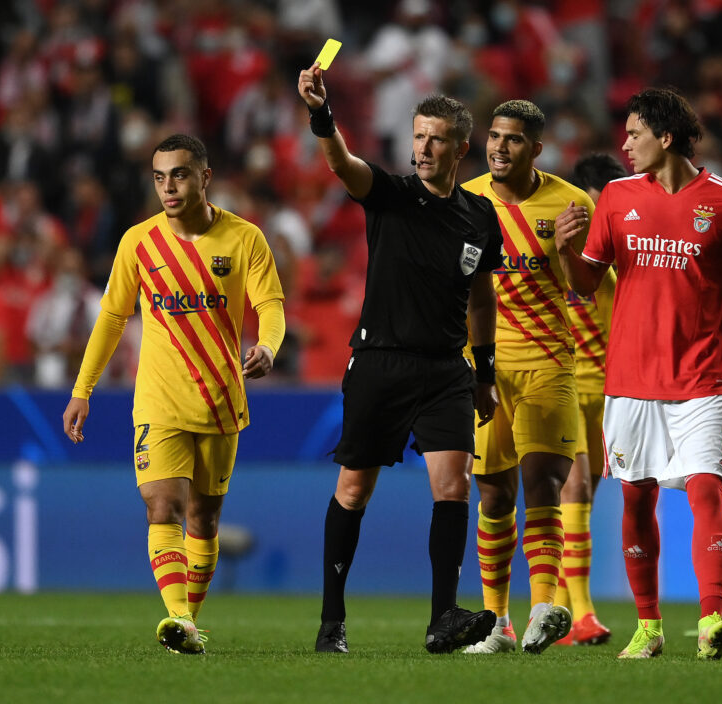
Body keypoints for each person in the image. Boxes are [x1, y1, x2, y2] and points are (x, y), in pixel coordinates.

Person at [554, 88, 722, 661]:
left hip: (701, 379)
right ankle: (649, 626)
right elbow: (585, 285)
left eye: (634, 133)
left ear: (665, 138)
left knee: (706, 489)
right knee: (637, 501)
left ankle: (712, 619)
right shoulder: (616, 198)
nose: (624, 144)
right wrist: (567, 252)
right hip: (629, 382)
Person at [296, 61, 503, 655]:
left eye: (437, 139)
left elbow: (481, 297)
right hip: (380, 363)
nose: (424, 148)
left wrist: (484, 372)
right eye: (418, 136)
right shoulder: (390, 195)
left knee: (454, 485)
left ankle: (443, 619)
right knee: (353, 489)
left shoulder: (479, 215)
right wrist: (321, 113)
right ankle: (332, 621)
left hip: (446, 370)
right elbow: (342, 163)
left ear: (461, 148)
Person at [62, 134, 286, 654]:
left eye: (179, 175)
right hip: (158, 400)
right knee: (163, 506)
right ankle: (180, 618)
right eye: (160, 177)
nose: (168, 187)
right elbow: (112, 318)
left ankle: (187, 626)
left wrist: (268, 347)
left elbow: (270, 304)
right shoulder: (138, 242)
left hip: (221, 399)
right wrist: (82, 389)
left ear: (205, 177)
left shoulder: (245, 238)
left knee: (204, 519)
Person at [460, 100, 589, 655]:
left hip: (549, 362)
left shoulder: (571, 203)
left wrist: (568, 250)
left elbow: (587, 286)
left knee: (544, 483)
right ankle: (498, 625)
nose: (499, 147)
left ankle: (541, 609)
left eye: (512, 139)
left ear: (535, 148)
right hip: (483, 367)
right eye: (494, 136)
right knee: (493, 496)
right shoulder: (466, 201)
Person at [552, 154, 627, 647]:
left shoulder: (619, 260)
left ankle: (557, 613)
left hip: (608, 393)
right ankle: (581, 615)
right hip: (563, 385)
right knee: (574, 492)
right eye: (602, 202)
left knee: (580, 502)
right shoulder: (554, 247)